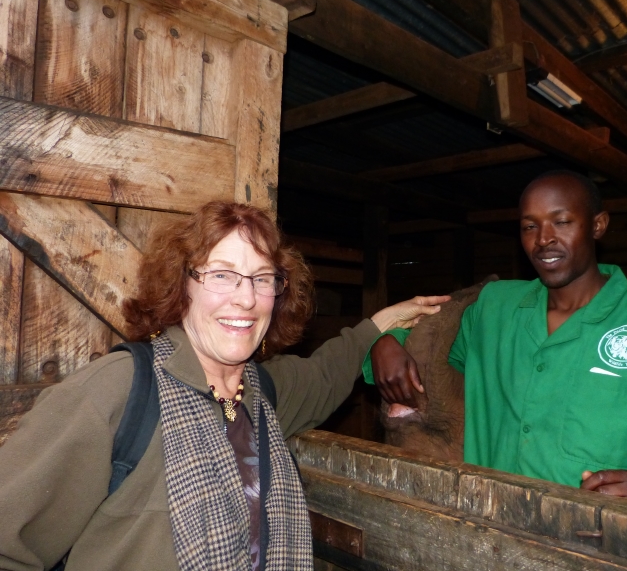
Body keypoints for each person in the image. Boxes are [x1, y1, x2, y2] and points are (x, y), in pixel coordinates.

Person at [0, 200, 449, 571]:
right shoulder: (117, 391)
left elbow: (328, 372)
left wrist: (383, 325)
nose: (246, 297)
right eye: (221, 274)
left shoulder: (261, 392)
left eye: (262, 278)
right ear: (181, 285)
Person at [367, 170, 627, 519]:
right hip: (488, 535)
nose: (543, 239)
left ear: (597, 225)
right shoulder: (494, 309)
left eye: (561, 221)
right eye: (529, 226)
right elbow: (424, 341)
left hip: (596, 550)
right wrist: (384, 343)